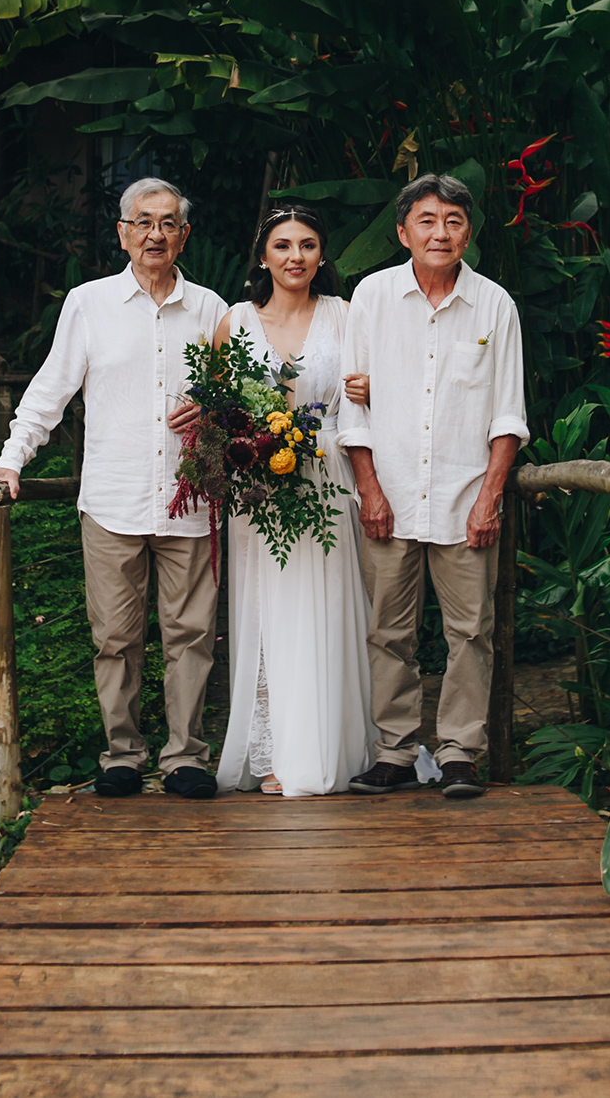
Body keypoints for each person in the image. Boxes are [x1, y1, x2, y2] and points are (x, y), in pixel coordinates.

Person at [0, 178, 228, 799]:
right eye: (143, 222)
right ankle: (122, 753)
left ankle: (186, 757)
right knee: (115, 638)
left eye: (168, 223)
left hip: (189, 502)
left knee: (191, 635)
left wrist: (214, 411)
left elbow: (242, 403)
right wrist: (12, 460)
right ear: (122, 233)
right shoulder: (88, 304)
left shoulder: (211, 309)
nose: (155, 234)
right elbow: (50, 391)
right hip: (113, 500)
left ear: (184, 235)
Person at [338, 173, 529, 799]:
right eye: (426, 220)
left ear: (468, 231)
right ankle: (393, 752)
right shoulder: (371, 296)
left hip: (463, 497)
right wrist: (369, 488)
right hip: (388, 495)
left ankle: (458, 755)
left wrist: (489, 496)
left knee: (471, 632)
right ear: (402, 232)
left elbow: (507, 413)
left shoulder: (495, 305)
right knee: (388, 632)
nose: (439, 233)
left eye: (451, 221)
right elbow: (352, 407)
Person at [216, 206, 374, 797]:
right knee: (268, 610)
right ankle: (274, 748)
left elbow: (379, 392)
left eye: (308, 245)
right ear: (263, 256)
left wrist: (369, 387)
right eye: (282, 246)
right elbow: (217, 408)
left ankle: (332, 745)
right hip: (259, 486)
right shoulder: (234, 322)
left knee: (330, 609)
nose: (295, 256)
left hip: (330, 473)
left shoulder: (346, 315)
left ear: (322, 256)